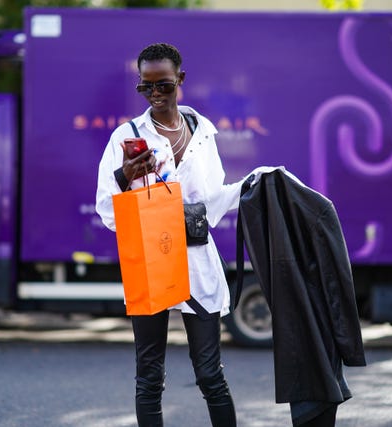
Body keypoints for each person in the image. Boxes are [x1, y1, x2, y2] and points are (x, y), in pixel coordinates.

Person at [95, 43, 243, 427]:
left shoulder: (204, 132)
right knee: (149, 379)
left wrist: (253, 185)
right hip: (151, 260)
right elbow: (108, 211)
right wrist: (125, 176)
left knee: (211, 375)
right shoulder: (125, 137)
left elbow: (213, 200)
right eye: (146, 88)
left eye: (163, 85)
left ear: (180, 79)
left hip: (198, 260)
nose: (156, 94)